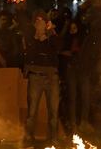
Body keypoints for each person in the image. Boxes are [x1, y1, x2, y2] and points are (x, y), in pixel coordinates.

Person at [22, 10, 61, 147]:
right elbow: (30, 55)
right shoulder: (30, 37)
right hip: (35, 77)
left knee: (54, 111)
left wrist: (49, 35)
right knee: (32, 111)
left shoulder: (52, 35)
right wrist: (38, 39)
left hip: (52, 77)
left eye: (42, 21)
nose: (39, 23)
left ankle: (53, 138)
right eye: (37, 21)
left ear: (46, 23)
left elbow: (57, 48)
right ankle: (28, 138)